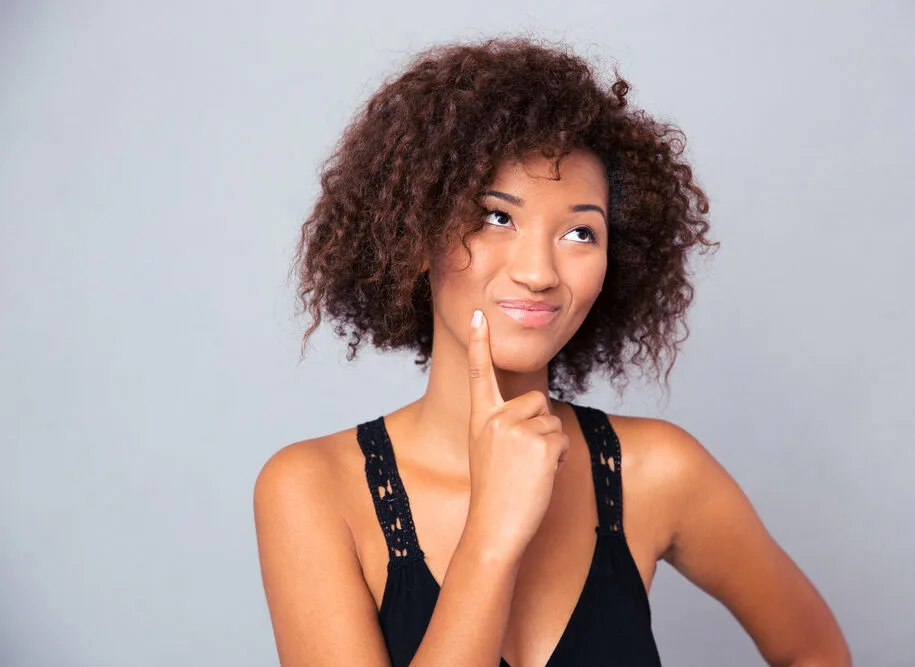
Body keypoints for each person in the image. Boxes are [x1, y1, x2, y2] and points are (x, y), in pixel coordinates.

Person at [253, 35, 851, 667]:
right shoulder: (313, 491)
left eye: (578, 232)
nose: (539, 271)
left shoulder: (658, 471)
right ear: (413, 231)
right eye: (496, 217)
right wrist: (491, 535)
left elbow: (814, 649)